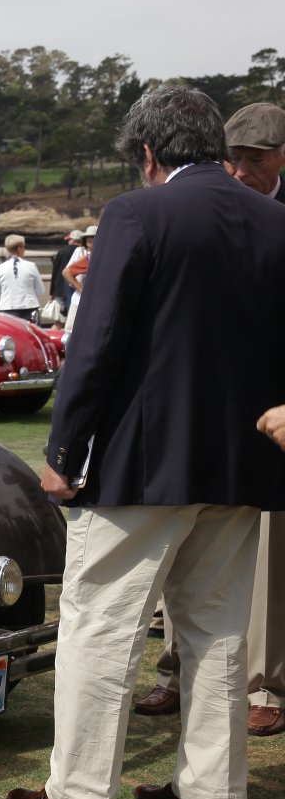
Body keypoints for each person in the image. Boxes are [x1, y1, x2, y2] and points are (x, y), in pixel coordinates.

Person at [8, 85, 285, 799]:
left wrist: (63, 450)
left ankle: (79, 792)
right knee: (218, 629)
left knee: (102, 623)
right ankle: (213, 790)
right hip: (242, 460)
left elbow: (96, 343)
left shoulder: (138, 213)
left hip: (144, 458)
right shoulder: (275, 220)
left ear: (150, 152)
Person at [135, 100, 285, 737]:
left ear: (282, 158)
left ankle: (265, 685)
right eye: (234, 157)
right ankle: (174, 670)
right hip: (200, 407)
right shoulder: (203, 207)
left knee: (265, 560)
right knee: (185, 550)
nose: (242, 170)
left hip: (271, 412)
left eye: (256, 159)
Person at [223, 101, 285, 204]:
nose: (241, 173)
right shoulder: (212, 206)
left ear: (283, 156)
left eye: (256, 160)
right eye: (233, 158)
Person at [0, 234, 46, 322]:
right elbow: (40, 290)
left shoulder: (0, 268)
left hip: (6, 308)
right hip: (29, 308)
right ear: (19, 249)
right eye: (24, 247)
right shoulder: (31, 266)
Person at [50, 229, 82, 314]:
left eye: (69, 239)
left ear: (73, 240)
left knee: (62, 317)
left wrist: (52, 292)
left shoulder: (62, 251)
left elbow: (55, 271)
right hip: (78, 287)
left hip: (60, 288)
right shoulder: (83, 252)